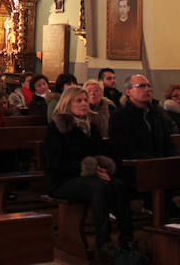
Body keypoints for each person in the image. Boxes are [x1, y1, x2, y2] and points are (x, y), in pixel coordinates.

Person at [44, 86, 133, 260]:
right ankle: (103, 242)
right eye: (79, 101)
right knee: (99, 186)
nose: (84, 104)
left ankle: (127, 240)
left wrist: (102, 167)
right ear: (67, 103)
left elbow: (100, 152)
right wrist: (90, 168)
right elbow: (57, 162)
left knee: (117, 184)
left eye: (85, 100)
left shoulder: (91, 127)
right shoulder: (58, 127)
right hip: (63, 180)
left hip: (89, 176)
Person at [109, 75, 177, 161]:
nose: (147, 89)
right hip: (137, 167)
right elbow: (125, 149)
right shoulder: (119, 117)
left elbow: (168, 144)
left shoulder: (156, 114)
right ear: (128, 92)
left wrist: (175, 159)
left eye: (148, 86)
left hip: (161, 164)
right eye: (141, 86)